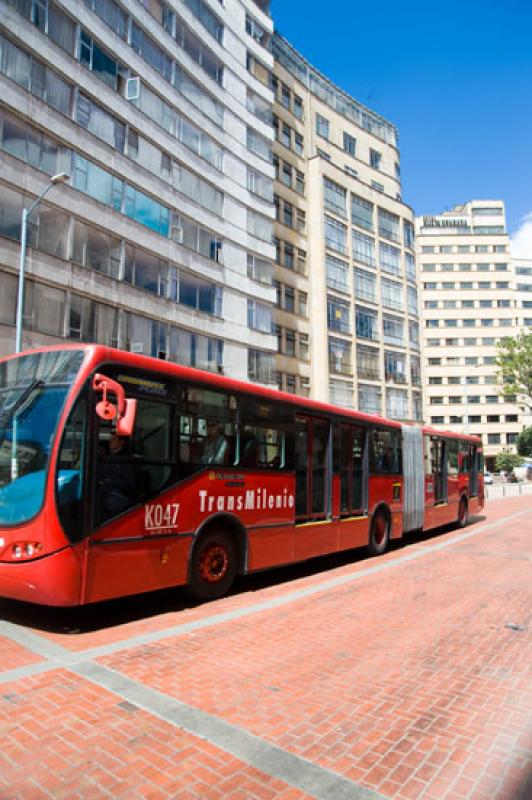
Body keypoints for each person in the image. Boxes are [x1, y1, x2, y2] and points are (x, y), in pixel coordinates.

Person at [98, 433, 136, 519]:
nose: (110, 442)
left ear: (121, 443)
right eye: (110, 440)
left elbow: (126, 481)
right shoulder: (107, 458)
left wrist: (106, 482)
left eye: (114, 440)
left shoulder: (125, 461)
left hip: (117, 495)